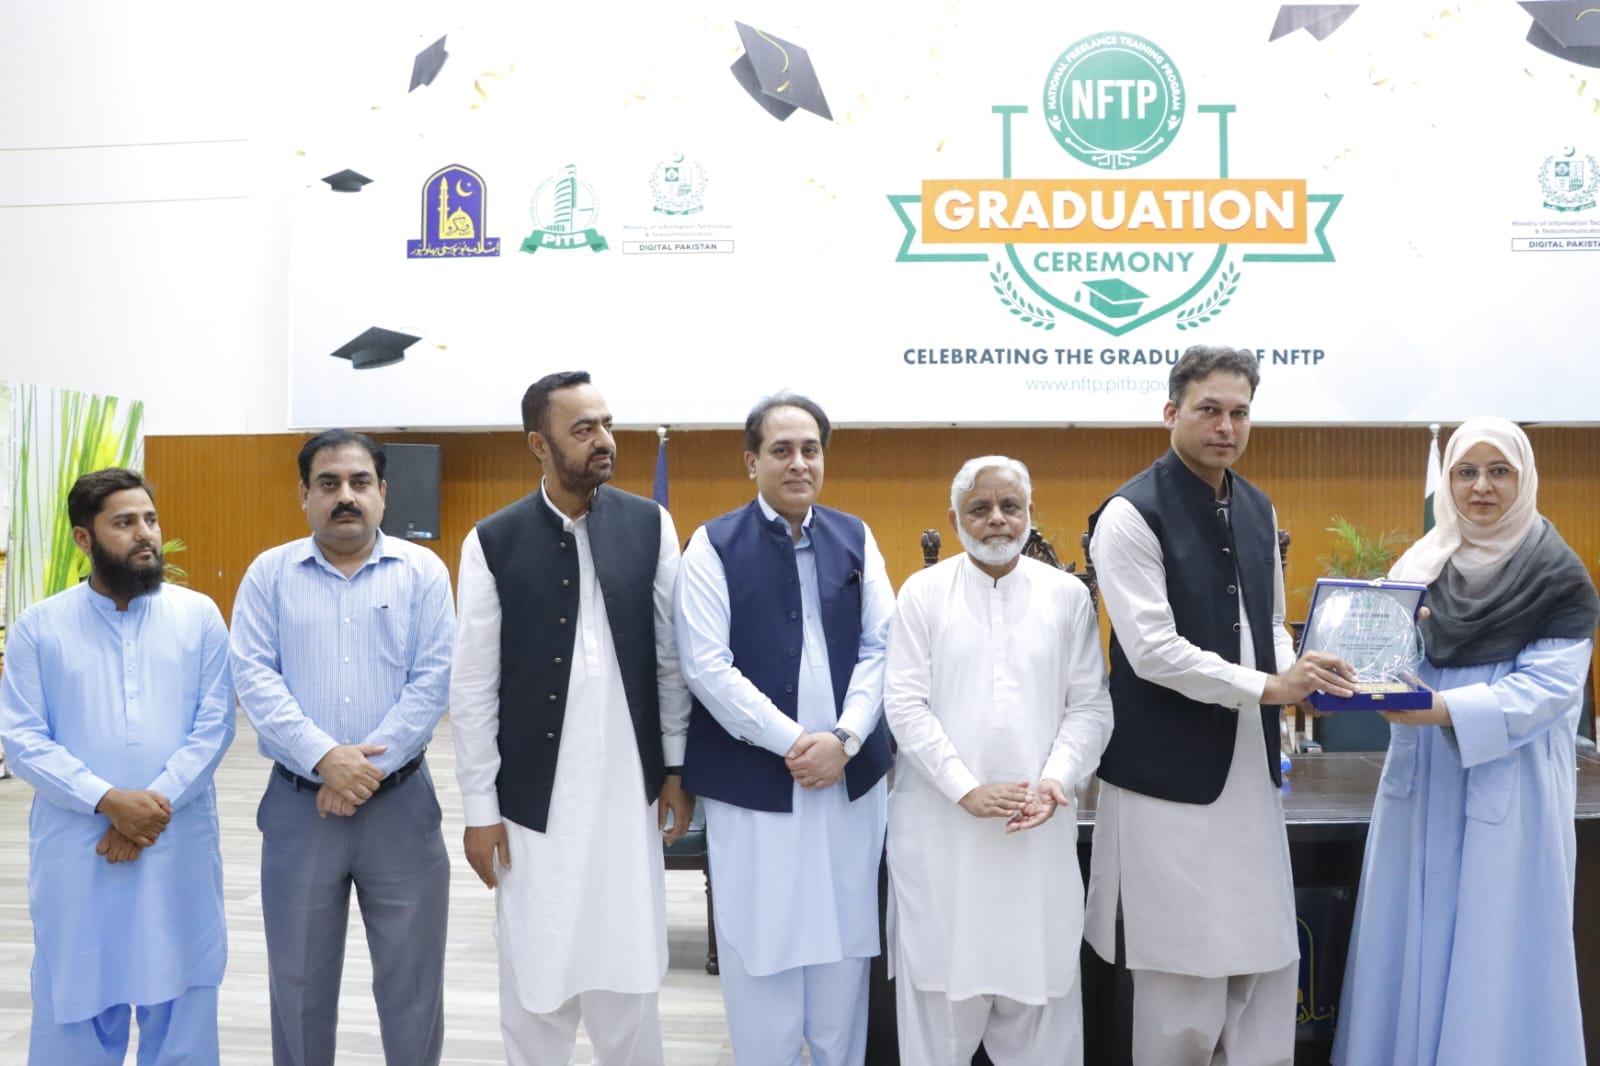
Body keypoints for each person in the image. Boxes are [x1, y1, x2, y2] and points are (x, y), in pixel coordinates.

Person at [1084, 345, 1353, 1066]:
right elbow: (1152, 650)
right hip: (1167, 779)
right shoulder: (1129, 514)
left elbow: (1268, 622)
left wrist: (1296, 670)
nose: (1226, 427)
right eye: (1209, 410)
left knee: (1264, 957)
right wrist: (1269, 686)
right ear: (1171, 412)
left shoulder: (1259, 506)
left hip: (1249, 773)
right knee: (1180, 974)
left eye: (1240, 412)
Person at [1332, 417, 1599, 1066]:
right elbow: (1387, 655)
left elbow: (1548, 689)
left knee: (1494, 942)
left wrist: (1444, 709)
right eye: (1466, 472)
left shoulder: (1558, 576)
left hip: (1508, 778)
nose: (1481, 486)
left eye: (1499, 471)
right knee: (1409, 933)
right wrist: (1350, 673)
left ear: (1524, 479)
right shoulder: (1421, 565)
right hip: (1424, 777)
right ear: (1448, 482)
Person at [450, 371, 693, 1066]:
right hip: (534, 807)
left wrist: (676, 770)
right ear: (540, 444)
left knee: (629, 973)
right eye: (583, 429)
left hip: (629, 796)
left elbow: (671, 660)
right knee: (536, 976)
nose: (603, 440)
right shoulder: (492, 541)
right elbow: (473, 688)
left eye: (606, 424)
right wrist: (479, 809)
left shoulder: (651, 525)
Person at [675, 392, 894, 1066]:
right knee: (761, 944)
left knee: (844, 946)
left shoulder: (856, 536)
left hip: (847, 780)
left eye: (810, 449)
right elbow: (706, 665)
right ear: (752, 461)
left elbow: (883, 647)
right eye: (781, 450)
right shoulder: (712, 545)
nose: (799, 463)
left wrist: (845, 739)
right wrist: (795, 743)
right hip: (756, 783)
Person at [230, 430, 454, 1066]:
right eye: (328, 484)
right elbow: (254, 677)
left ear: (383, 492)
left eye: (359, 483)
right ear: (304, 495)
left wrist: (359, 772)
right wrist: (325, 759)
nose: (345, 496)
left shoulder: (424, 572)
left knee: (413, 986)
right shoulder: (269, 574)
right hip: (301, 807)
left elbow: (433, 679)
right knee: (297, 985)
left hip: (401, 809)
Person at [0, 467, 235, 1065]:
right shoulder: (39, 627)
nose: (145, 534)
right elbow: (23, 738)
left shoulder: (198, 615)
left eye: (150, 519)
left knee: (182, 990)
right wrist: (109, 801)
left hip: (175, 842)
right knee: (76, 993)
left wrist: (147, 811)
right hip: (80, 847)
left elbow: (214, 727)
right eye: (124, 523)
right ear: (84, 538)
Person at [883, 456, 1112, 1065]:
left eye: (1009, 506)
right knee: (938, 1005)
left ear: (1030, 513)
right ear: (954, 519)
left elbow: (1091, 707)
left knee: (1043, 1001)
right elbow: (903, 705)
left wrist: (1055, 779)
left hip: (1037, 837)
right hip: (942, 836)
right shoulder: (922, 593)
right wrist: (965, 788)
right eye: (979, 508)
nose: (996, 520)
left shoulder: (1067, 597)